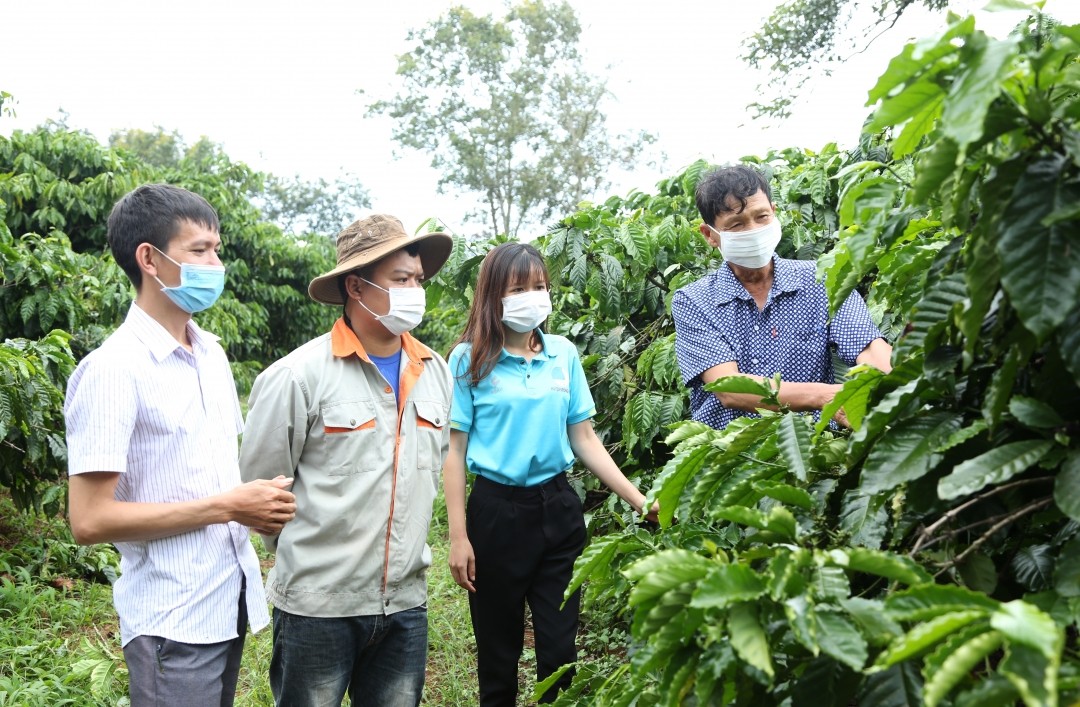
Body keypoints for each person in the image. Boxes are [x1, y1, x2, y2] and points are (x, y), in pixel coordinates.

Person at [64, 183, 298, 707]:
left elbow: (205, 473)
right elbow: (90, 520)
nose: (215, 262)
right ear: (149, 258)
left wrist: (251, 504)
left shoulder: (209, 354)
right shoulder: (113, 370)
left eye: (217, 249)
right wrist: (228, 507)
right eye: (199, 250)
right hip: (171, 618)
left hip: (226, 601)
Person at [238, 214, 453, 707]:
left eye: (418, 280)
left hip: (405, 603)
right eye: (401, 280)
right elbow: (262, 487)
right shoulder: (298, 376)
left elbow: (430, 468)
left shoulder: (435, 372)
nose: (414, 291)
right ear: (356, 287)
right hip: (319, 605)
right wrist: (312, 556)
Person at [443, 242, 658, 706]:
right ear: (493, 296)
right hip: (496, 514)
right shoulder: (468, 360)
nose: (532, 297)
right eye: (519, 288)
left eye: (539, 286)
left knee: (560, 654)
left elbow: (584, 440)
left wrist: (639, 500)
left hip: (558, 508)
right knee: (498, 655)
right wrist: (458, 536)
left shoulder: (562, 354)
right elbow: (454, 452)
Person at [673, 165, 893, 430]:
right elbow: (729, 389)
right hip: (733, 459)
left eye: (761, 217)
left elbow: (867, 346)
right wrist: (825, 396)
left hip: (819, 453)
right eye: (736, 224)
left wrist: (900, 383)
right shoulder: (694, 301)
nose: (753, 230)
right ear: (710, 235)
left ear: (774, 213)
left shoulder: (821, 280)